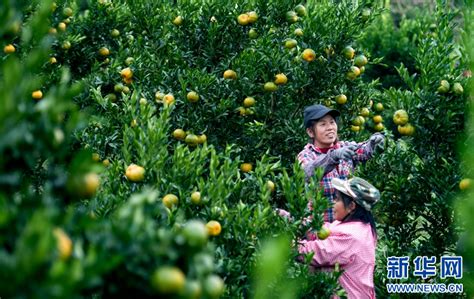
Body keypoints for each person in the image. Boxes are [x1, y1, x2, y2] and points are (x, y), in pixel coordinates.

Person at [298, 104, 384, 223]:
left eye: (332, 122)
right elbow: (308, 171)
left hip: (349, 226)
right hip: (320, 229)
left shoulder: (345, 147)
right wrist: (333, 156)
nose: (330, 128)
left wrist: (375, 141)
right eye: (323, 124)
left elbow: (364, 150)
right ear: (311, 132)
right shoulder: (307, 155)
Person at [297, 177, 380, 299]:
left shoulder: (352, 236)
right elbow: (320, 229)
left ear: (351, 206)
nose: (333, 203)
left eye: (337, 199)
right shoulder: (361, 226)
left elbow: (311, 253)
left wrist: (289, 244)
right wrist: (290, 219)